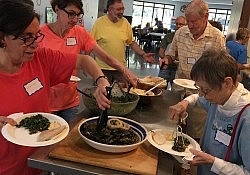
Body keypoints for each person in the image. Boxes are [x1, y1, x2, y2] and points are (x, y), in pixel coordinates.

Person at [0, 1, 111, 174]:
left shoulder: (41, 58)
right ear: (2, 38)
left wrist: (101, 80)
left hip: (40, 161)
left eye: (36, 35)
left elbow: (84, 60)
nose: (35, 44)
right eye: (26, 38)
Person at [39, 0, 138, 122]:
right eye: (71, 14)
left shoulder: (79, 32)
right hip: (46, 102)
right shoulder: (40, 35)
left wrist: (124, 71)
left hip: (70, 102)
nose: (75, 19)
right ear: (57, 9)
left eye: (78, 14)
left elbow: (105, 57)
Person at [168, 48, 250, 175]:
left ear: (227, 83)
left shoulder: (246, 117)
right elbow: (197, 98)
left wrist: (213, 162)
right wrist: (184, 103)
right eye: (198, 87)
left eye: (205, 90)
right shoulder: (219, 96)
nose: (201, 94)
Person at [159, 0, 226, 140]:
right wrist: (166, 60)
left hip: (201, 93)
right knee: (172, 125)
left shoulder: (217, 37)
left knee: (195, 131)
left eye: (194, 21)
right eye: (187, 21)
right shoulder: (181, 33)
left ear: (205, 17)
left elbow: (221, 67)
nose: (189, 25)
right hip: (179, 88)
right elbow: (171, 54)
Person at [90, 0, 155, 83]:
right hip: (102, 69)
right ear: (110, 9)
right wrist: (87, 63)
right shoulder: (99, 23)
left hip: (120, 69)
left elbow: (132, 42)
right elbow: (90, 44)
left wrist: (143, 54)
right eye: (119, 9)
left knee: (122, 94)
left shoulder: (125, 23)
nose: (122, 12)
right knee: (102, 94)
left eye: (123, 9)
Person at [158, 16, 187, 88]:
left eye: (181, 24)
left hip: (179, 69)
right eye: (176, 24)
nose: (178, 26)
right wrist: (167, 59)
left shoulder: (188, 39)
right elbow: (161, 52)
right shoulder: (168, 37)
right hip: (166, 67)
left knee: (176, 89)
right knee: (160, 86)